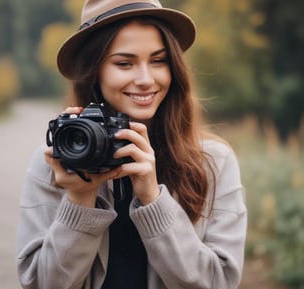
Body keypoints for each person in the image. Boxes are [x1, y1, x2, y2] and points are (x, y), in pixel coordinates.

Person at [16, 0, 247, 288]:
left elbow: (218, 283)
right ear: (94, 71)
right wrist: (79, 199)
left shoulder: (213, 162)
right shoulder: (55, 161)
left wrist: (152, 198)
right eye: (124, 63)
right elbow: (42, 285)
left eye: (158, 60)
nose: (145, 79)